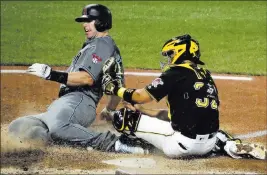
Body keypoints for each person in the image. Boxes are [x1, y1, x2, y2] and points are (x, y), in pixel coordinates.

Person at [7, 4, 150, 154]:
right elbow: (117, 82)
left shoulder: (103, 44)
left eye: (89, 21)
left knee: (59, 127)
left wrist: (51, 74)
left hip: (80, 101)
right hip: (64, 104)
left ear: (101, 22)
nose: (84, 25)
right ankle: (54, 138)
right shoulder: (96, 45)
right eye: (84, 21)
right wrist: (109, 109)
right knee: (19, 126)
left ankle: (117, 143)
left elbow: (87, 78)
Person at [102, 34, 267, 159]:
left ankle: (143, 149)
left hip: (181, 146)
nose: (169, 58)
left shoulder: (175, 73)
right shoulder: (205, 75)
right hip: (208, 144)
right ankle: (229, 145)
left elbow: (140, 96)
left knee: (123, 118)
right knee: (207, 124)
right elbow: (177, 114)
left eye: (171, 54)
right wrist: (143, 111)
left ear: (180, 53)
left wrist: (115, 88)